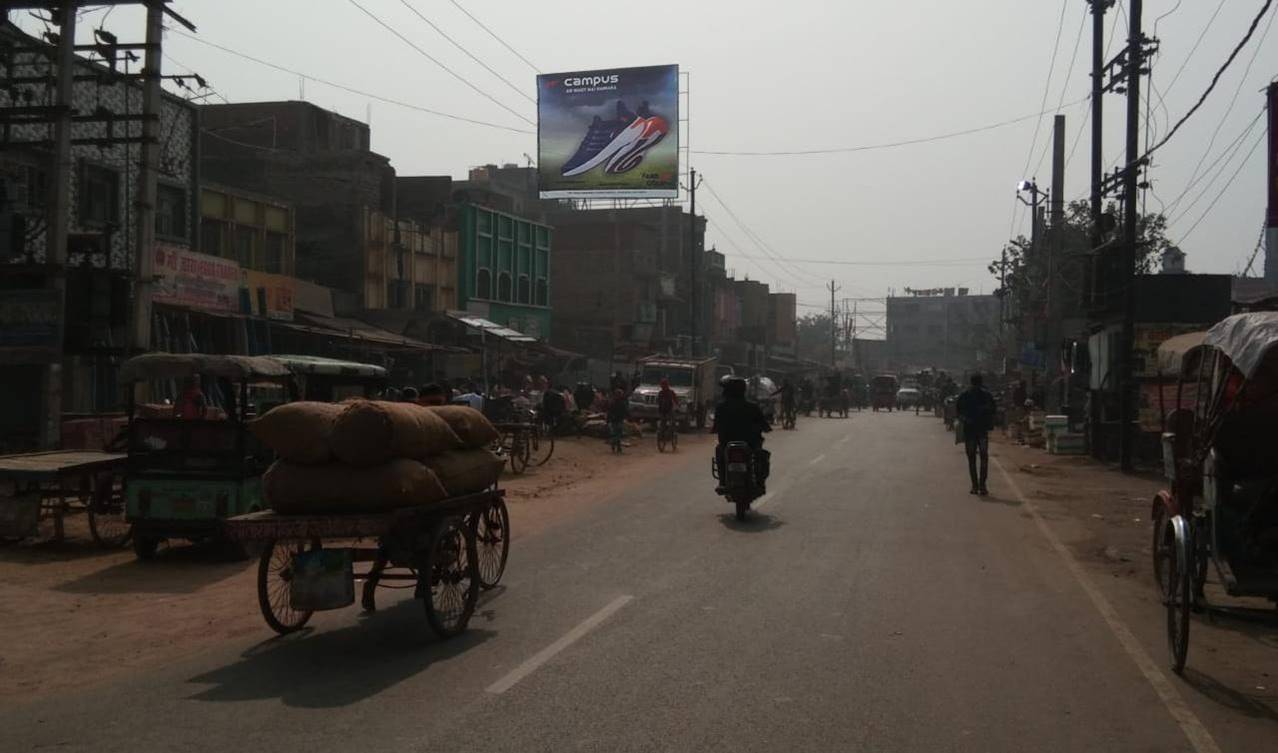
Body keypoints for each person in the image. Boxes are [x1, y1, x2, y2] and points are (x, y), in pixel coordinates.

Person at [713, 376, 772, 491]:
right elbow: (764, 425)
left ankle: (722, 481)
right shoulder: (752, 406)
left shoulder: (721, 407)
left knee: (720, 452)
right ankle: (760, 482)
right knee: (761, 456)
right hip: (751, 443)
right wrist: (765, 428)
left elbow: (716, 426)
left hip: (726, 443)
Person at [956, 373, 997, 495]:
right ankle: (982, 485)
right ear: (981, 382)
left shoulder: (964, 395)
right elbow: (993, 410)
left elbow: (958, 412)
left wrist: (966, 419)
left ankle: (975, 486)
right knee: (983, 458)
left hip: (970, 431)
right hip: (982, 431)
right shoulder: (987, 395)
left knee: (972, 458)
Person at [606, 387, 629, 452]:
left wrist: (608, 420)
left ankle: (615, 445)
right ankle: (616, 445)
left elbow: (609, 411)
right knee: (618, 433)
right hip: (618, 420)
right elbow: (625, 411)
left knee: (616, 433)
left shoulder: (613, 402)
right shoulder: (621, 403)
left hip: (615, 420)